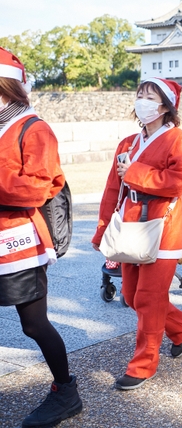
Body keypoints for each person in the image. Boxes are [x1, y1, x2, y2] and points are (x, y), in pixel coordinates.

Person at [92, 77, 182, 390]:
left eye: (149, 96)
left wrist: (135, 173)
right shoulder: (128, 143)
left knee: (149, 298)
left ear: (165, 105)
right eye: (139, 95)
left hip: (163, 223)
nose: (142, 101)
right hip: (130, 222)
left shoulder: (179, 139)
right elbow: (114, 187)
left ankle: (143, 363)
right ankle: (180, 324)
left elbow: (178, 182)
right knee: (131, 296)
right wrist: (101, 230)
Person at [0, 47, 82, 427]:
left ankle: (65, 391)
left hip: (16, 241)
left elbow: (36, 189)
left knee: (33, 324)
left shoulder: (35, 129)